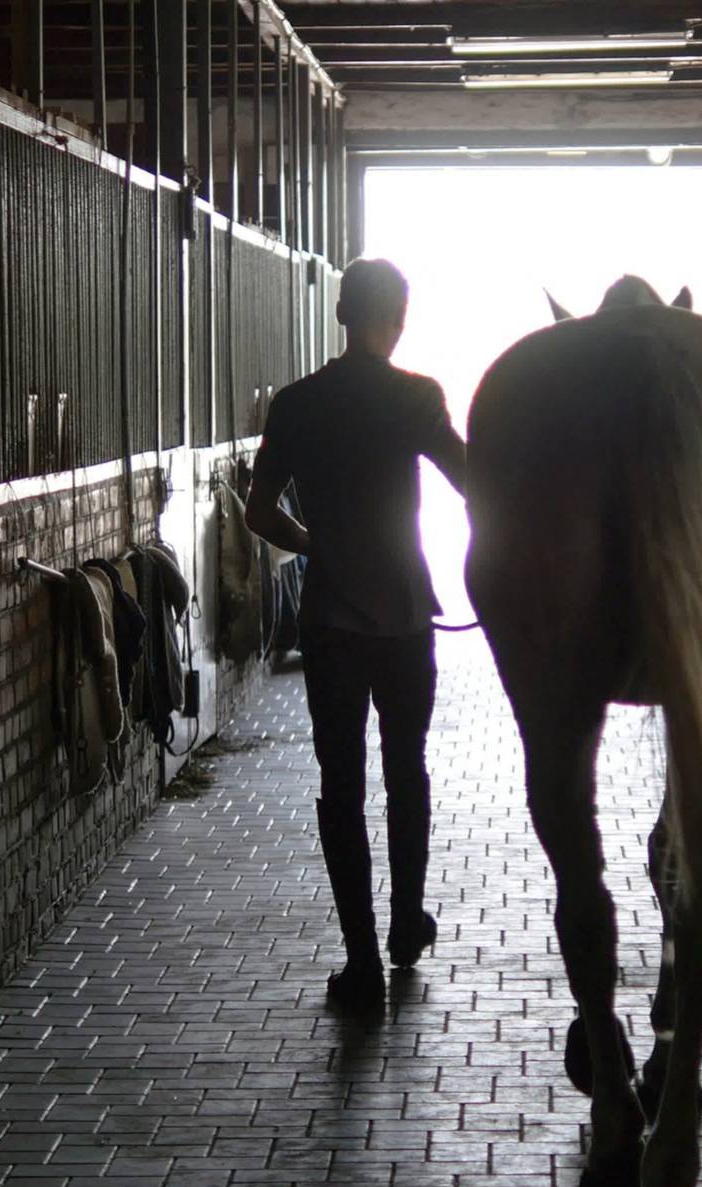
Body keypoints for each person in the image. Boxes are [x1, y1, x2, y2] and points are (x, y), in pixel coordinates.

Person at [244, 258, 466, 1012]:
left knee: (341, 786)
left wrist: (315, 542)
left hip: (333, 618)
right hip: (406, 614)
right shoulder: (416, 398)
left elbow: (259, 513)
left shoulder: (298, 404)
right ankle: (407, 923)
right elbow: (475, 483)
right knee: (407, 771)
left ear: (340, 313)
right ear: (399, 316)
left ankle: (363, 961)